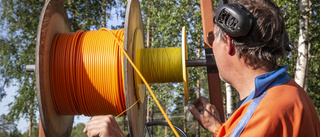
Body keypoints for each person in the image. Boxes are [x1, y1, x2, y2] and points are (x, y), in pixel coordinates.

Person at [84, 0, 320, 136]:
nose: (211, 48)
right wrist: (219, 129)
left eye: (213, 40)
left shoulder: (265, 113)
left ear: (227, 43)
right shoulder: (291, 93)